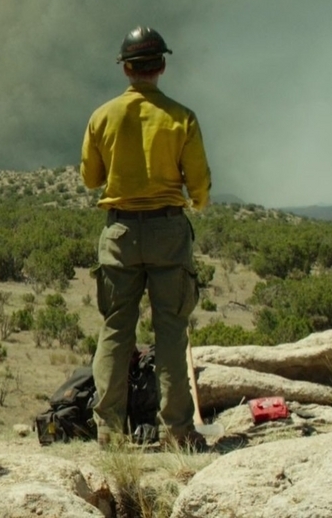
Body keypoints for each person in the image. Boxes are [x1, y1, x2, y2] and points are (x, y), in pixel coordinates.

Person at [79, 26, 211, 450]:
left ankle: (108, 431)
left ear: (126, 70)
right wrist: (195, 204)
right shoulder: (181, 117)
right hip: (168, 231)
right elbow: (200, 185)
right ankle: (177, 430)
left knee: (117, 328)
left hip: (119, 233)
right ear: (162, 66)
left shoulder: (102, 116)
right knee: (171, 329)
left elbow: (90, 179)